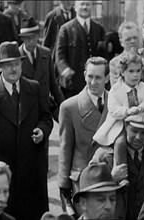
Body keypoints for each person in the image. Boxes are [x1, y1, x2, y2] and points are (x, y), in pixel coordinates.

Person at [0, 41, 53, 220]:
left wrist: (42, 131)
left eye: (17, 64)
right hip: (0, 173)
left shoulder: (34, 88)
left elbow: (46, 117)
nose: (14, 69)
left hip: (31, 168)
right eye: (9, 64)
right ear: (0, 67)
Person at [93, 49, 144, 184]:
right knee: (120, 143)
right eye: (131, 71)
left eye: (138, 71)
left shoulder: (143, 88)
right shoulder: (116, 89)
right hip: (121, 124)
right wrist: (127, 111)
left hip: (140, 124)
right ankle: (122, 175)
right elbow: (113, 110)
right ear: (122, 72)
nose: (135, 75)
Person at [58, 57, 109, 218]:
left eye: (98, 78)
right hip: (81, 181)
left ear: (107, 78)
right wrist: (63, 185)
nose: (93, 82)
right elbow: (65, 149)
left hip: (108, 177)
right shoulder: (69, 107)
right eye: (90, 76)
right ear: (85, 75)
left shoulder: (116, 103)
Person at [91, 112, 144, 219]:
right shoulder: (104, 156)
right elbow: (88, 188)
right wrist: (111, 178)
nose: (138, 137)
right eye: (134, 131)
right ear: (125, 127)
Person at [56, 0, 105, 99]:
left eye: (88, 4)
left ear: (92, 6)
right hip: (72, 84)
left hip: (93, 82)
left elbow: (103, 55)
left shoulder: (99, 29)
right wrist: (65, 71)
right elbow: (60, 55)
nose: (85, 7)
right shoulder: (66, 29)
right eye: (82, 4)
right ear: (75, 7)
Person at [19, 17, 65, 122]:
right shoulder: (16, 56)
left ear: (39, 37)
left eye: (34, 37)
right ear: (22, 39)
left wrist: (63, 104)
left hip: (44, 108)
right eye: (27, 38)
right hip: (24, 110)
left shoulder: (46, 53)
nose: (31, 41)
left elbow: (53, 84)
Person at [43, 0, 76, 78]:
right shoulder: (52, 16)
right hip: (57, 60)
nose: (69, 2)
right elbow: (46, 43)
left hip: (74, 60)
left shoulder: (77, 15)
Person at [109, 21, 139, 87]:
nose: (133, 41)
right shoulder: (114, 63)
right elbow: (115, 88)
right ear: (121, 42)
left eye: (135, 38)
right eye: (128, 39)